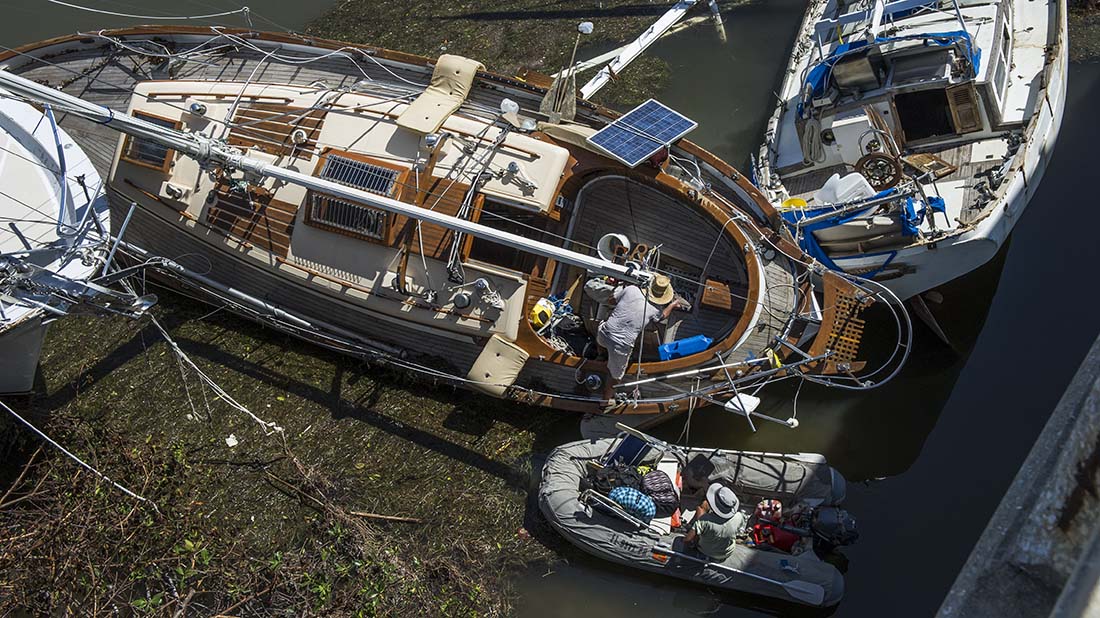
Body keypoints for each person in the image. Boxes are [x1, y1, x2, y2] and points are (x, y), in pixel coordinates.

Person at [594, 274, 686, 402]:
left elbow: (611, 300)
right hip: (621, 345)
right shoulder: (656, 309)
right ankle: (605, 401)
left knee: (601, 332)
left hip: (605, 333)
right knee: (615, 376)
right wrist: (673, 304)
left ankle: (600, 355)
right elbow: (662, 317)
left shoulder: (631, 289)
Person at [683, 482, 746, 562]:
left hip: (705, 552)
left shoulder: (704, 520)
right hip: (726, 553)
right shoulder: (739, 517)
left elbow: (687, 540)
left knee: (700, 510)